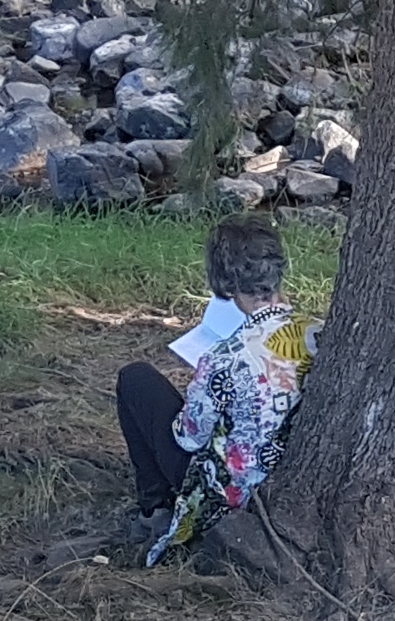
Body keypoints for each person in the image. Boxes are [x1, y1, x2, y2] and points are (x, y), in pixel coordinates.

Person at [119, 210, 305, 561]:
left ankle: (154, 510)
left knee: (136, 379)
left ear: (226, 283)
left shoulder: (223, 358)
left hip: (232, 491)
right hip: (290, 476)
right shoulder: (320, 334)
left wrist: (196, 394)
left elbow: (188, 437)